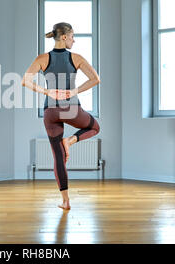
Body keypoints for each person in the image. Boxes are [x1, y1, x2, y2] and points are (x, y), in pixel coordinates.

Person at [21, 22, 101, 210]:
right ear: (64, 37)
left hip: (50, 111)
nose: (74, 39)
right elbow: (96, 79)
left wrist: (47, 92)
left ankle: (65, 201)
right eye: (73, 36)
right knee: (94, 127)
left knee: (58, 157)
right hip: (71, 107)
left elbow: (25, 81)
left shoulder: (42, 58)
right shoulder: (76, 58)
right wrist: (74, 91)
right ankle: (70, 141)